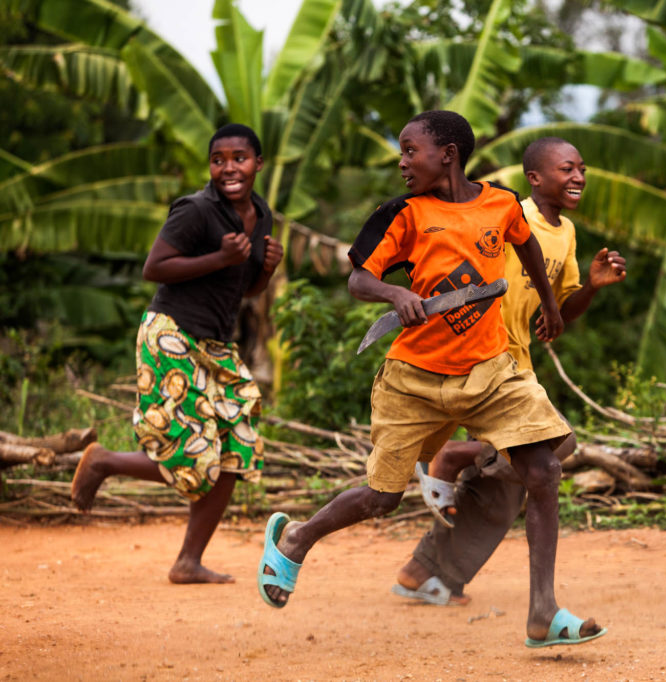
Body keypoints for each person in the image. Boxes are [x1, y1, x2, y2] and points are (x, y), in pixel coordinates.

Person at [256, 111, 606, 648]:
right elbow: (359, 277)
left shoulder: (502, 203)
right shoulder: (403, 214)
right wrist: (396, 293)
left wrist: (551, 303)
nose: (402, 162)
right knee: (381, 498)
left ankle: (543, 611)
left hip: (490, 370)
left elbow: (526, 244)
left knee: (543, 467)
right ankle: (296, 539)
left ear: (447, 154)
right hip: (413, 378)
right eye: (401, 152)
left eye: (409, 150)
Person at [392, 137, 626, 608]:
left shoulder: (567, 234)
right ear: (535, 178)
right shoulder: (505, 214)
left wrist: (592, 289)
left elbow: (560, 310)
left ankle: (427, 573)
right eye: (567, 168)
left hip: (520, 357)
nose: (579, 176)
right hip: (485, 353)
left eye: (582, 168)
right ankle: (457, 455)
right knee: (558, 447)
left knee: (505, 492)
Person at [70, 123, 283, 584]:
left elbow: (244, 289)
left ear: (258, 164)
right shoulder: (196, 210)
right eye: (218, 159)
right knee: (191, 450)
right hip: (171, 334)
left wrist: (264, 271)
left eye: (239, 158)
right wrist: (220, 259)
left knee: (236, 446)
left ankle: (189, 561)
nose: (229, 168)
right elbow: (155, 268)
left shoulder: (262, 215)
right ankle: (103, 460)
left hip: (215, 344)